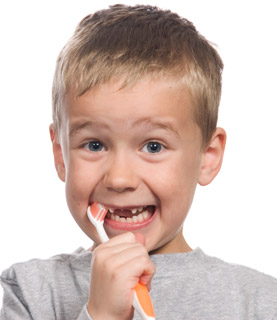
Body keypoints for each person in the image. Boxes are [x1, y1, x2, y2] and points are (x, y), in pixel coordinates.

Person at [1, 4, 277, 320]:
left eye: (153, 146)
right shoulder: (32, 293)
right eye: (94, 145)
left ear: (207, 157)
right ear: (61, 154)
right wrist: (100, 314)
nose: (119, 179)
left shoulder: (261, 303)